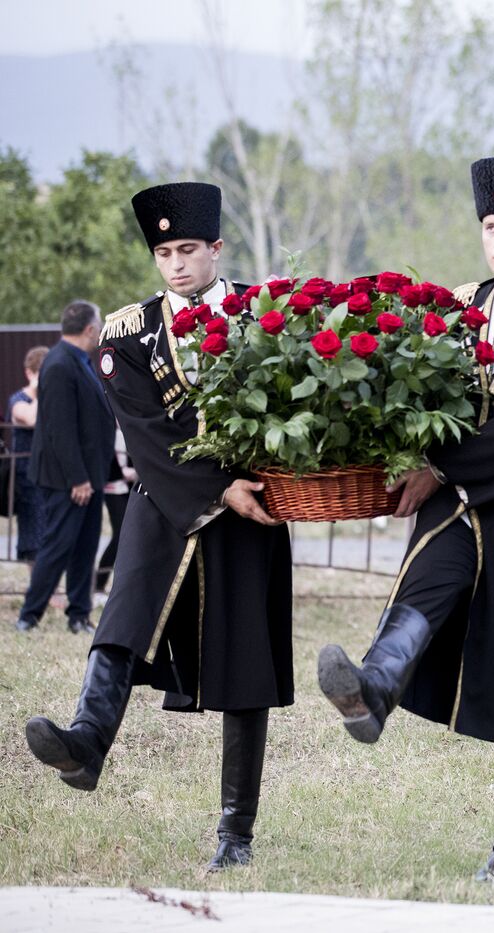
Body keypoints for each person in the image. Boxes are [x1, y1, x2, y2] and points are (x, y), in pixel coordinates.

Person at [317, 157, 494, 883]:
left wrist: (443, 466)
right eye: (490, 226)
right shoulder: (454, 302)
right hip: (458, 498)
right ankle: (374, 686)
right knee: (426, 585)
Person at [24, 181, 291, 872]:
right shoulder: (127, 330)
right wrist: (216, 486)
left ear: (216, 249)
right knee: (122, 619)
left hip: (253, 505)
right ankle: (86, 744)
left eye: (188, 249)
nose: (176, 263)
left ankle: (236, 834)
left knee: (244, 667)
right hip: (165, 496)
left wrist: (246, 484)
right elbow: (144, 433)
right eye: (164, 251)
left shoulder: (265, 313)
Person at [16, 301, 115, 635]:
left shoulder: (78, 361)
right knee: (59, 545)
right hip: (68, 478)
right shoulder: (59, 364)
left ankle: (78, 614)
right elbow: (60, 428)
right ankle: (29, 616)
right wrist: (78, 479)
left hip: (90, 474)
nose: (100, 329)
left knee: (86, 545)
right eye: (98, 324)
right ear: (88, 329)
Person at [8, 345, 49, 562]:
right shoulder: (18, 400)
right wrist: (39, 389)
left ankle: (48, 590)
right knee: (33, 535)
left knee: (51, 533)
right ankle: (40, 589)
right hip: (26, 478)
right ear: (29, 373)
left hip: (48, 474)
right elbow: (32, 419)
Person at [94, 429, 137, 594]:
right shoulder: (109, 423)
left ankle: (123, 585)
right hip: (113, 486)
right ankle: (99, 583)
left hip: (130, 486)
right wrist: (122, 473)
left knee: (131, 535)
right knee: (120, 535)